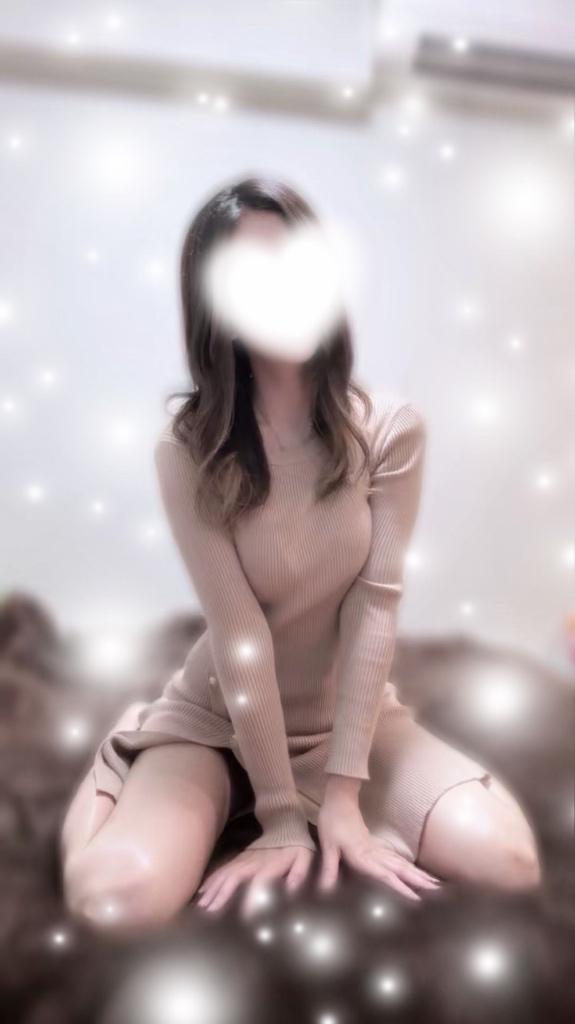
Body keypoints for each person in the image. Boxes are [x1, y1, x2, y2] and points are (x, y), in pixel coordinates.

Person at [59, 176, 541, 936]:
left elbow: (375, 606)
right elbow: (239, 631)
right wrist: (282, 817)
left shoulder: (388, 429)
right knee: (113, 901)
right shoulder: (189, 450)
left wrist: (342, 795)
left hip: (344, 723)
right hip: (219, 721)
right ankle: (124, 759)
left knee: (510, 863)